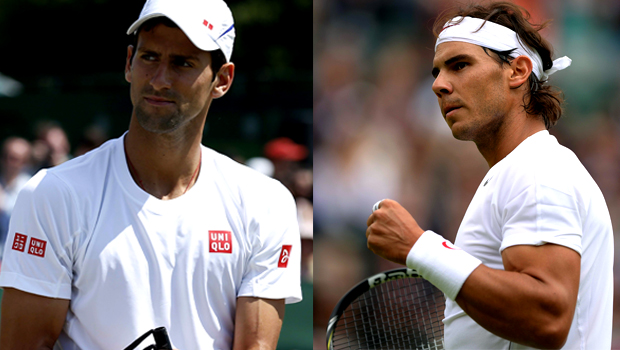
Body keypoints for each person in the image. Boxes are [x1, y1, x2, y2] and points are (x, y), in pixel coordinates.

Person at [0, 0, 302, 349]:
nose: (159, 80)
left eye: (182, 63)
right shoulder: (53, 193)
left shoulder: (266, 202)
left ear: (222, 80)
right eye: (150, 57)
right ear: (129, 63)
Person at [365, 2, 613, 349]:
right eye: (436, 71)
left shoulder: (538, 169)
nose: (439, 85)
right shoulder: (520, 170)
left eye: (460, 65)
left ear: (517, 70)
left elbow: (548, 317)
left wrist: (419, 247)